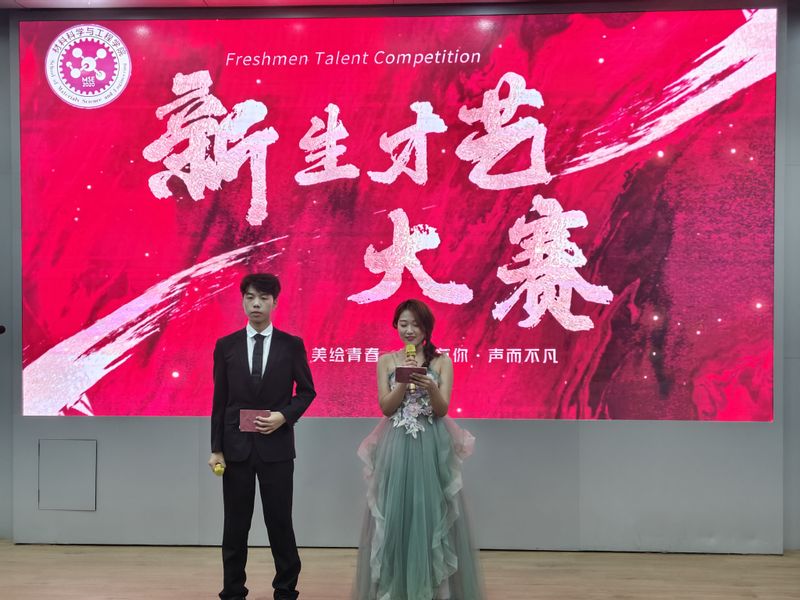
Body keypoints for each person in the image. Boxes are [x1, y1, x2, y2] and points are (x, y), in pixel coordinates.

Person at [353, 299, 484, 600]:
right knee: (395, 514)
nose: (409, 330)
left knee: (432, 512)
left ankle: (434, 588)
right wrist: (402, 381)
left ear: (426, 328)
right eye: (403, 324)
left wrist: (431, 386)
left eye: (415, 324)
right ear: (396, 326)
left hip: (431, 445)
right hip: (396, 445)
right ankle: (396, 587)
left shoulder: (441, 362)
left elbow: (442, 409)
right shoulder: (387, 360)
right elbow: (386, 408)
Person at [208, 273, 316, 600]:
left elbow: (307, 392)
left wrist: (284, 416)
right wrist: (216, 449)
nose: (256, 304)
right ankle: (232, 591)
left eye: (263, 298)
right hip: (236, 449)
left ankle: (285, 589)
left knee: (279, 522)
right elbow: (220, 401)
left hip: (276, 448)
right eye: (250, 297)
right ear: (243, 301)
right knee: (235, 525)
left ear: (275, 303)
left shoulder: (291, 345)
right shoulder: (225, 346)